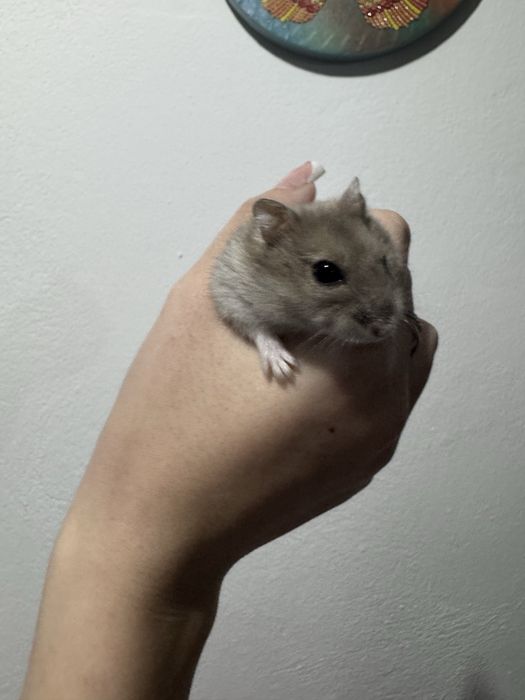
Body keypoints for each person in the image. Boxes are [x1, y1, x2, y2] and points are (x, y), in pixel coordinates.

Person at [20, 162, 437, 700]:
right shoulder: (253, 267)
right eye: (328, 273)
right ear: (271, 238)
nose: (379, 309)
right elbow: (232, 297)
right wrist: (266, 340)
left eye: (383, 264)